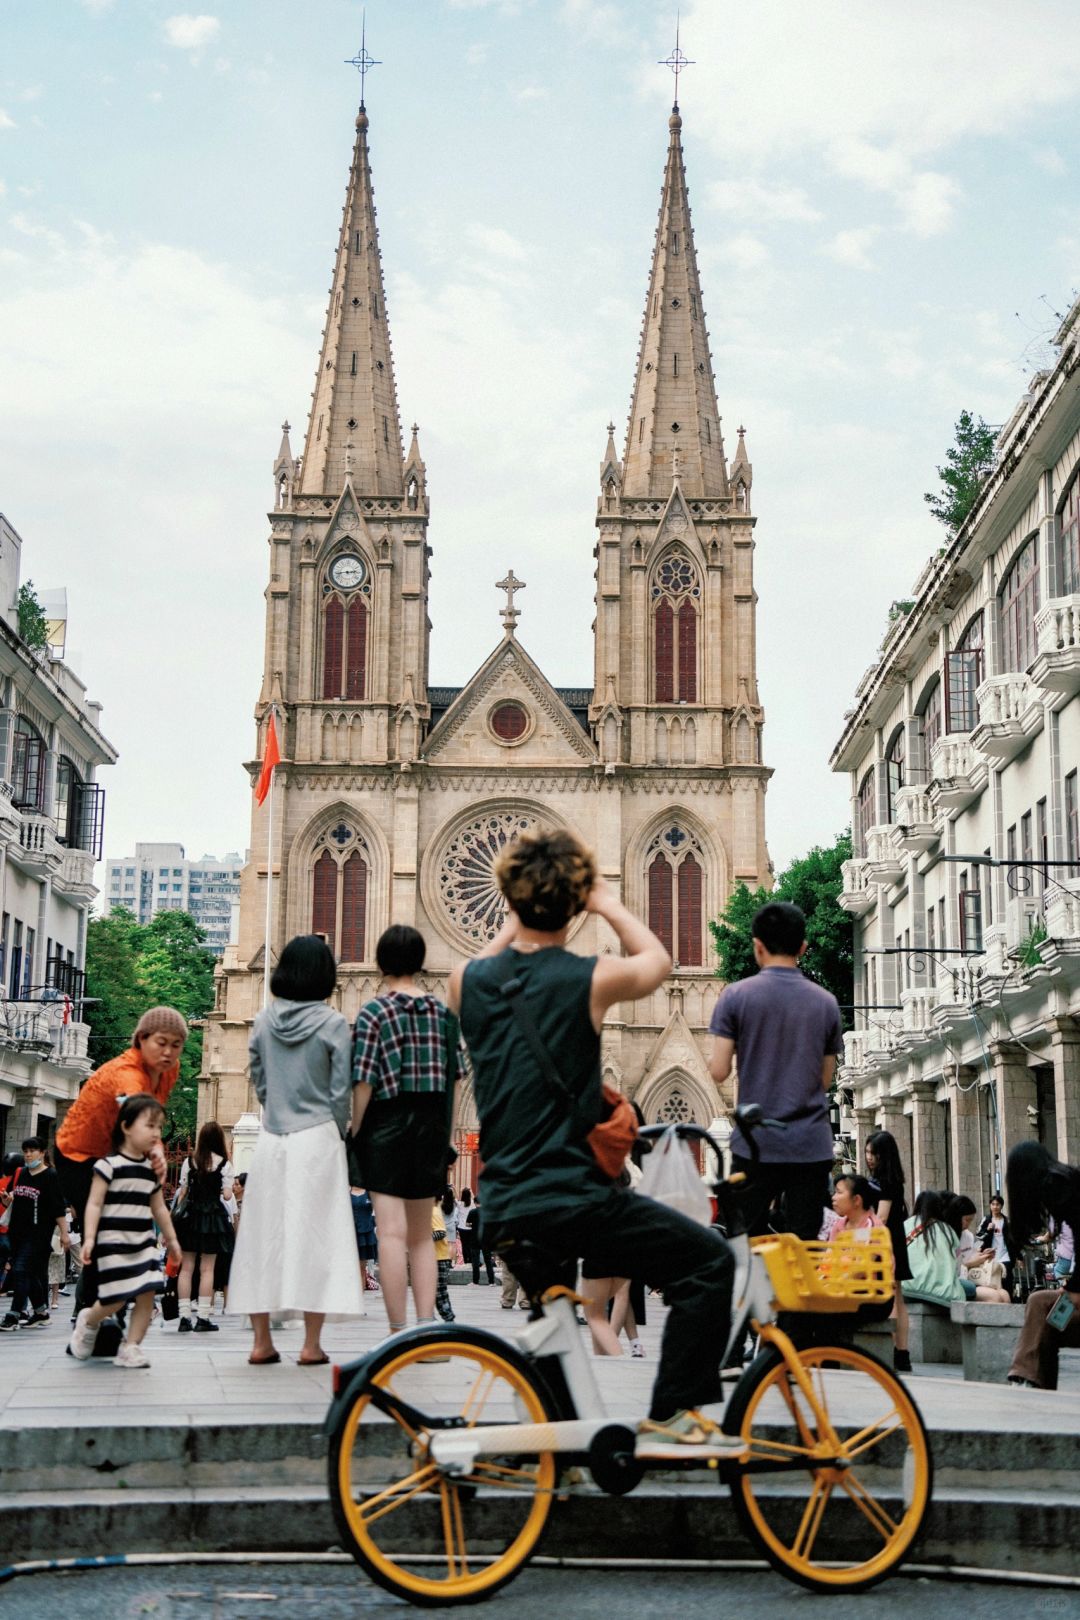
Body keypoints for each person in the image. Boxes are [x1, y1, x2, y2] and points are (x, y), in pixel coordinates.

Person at [449, 827, 737, 1453]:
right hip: (572, 1195)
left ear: (509, 897)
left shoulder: (465, 983)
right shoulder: (587, 978)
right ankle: (678, 1411)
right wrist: (604, 900)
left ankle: (561, 1455)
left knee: (553, 1326)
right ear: (574, 902)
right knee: (710, 1263)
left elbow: (486, 960)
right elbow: (658, 962)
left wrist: (513, 908)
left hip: (504, 1202)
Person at [230, 934, 363, 1366]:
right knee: (317, 1236)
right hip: (319, 1136)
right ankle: (310, 1344)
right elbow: (341, 1089)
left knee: (261, 1235)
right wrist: (339, 1128)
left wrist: (275, 1110)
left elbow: (259, 1078)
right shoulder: (333, 1023)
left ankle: (261, 1341)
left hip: (273, 1136)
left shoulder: (264, 1021)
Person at [708, 901, 843, 1242]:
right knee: (806, 1246)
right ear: (802, 948)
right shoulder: (826, 1002)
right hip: (810, 1144)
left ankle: (755, 1296)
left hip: (756, 1143)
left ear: (757, 945)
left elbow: (719, 1070)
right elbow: (824, 1080)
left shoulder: (734, 997)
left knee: (743, 1242)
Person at [351, 925, 463, 1336]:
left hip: (385, 1122)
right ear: (420, 962)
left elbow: (363, 1081)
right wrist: (444, 1134)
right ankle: (426, 1326)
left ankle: (398, 1330)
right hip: (430, 1123)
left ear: (380, 963)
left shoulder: (373, 1012)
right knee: (421, 1235)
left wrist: (358, 1129)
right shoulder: (442, 1015)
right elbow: (455, 1077)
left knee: (391, 1234)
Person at [54, 1007, 187, 1310]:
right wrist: (154, 1150)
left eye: (176, 1045)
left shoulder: (170, 1070)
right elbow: (134, 1105)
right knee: (102, 1231)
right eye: (161, 1042)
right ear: (142, 1039)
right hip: (77, 1154)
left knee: (118, 1230)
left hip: (113, 1153)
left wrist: (150, 1145)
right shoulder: (126, 1071)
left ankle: (100, 1307)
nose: (168, 1052)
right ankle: (93, 1310)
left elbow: (151, 1115)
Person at [68, 1095, 182, 1369]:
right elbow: (94, 1204)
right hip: (113, 1243)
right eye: (150, 1125)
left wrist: (173, 1239)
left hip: (143, 1243)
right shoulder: (107, 1166)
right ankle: (90, 1319)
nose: (156, 1132)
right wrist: (91, 1238)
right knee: (115, 1299)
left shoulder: (151, 1171)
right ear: (126, 1126)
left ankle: (131, 1346)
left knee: (146, 1294)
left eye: (159, 1127)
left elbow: (159, 1208)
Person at [1005, 1142, 1080, 1390]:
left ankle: (1026, 1378)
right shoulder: (1062, 1181)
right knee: (1040, 1302)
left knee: (1050, 1320)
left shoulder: (1055, 1186)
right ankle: (1028, 1377)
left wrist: (1074, 1290)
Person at [0, 1137, 70, 1330]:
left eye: (32, 1151)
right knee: (28, 1273)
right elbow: (13, 1201)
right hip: (17, 1232)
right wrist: (6, 1200)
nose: (28, 1154)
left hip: (38, 1233)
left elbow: (58, 1208)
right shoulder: (20, 1173)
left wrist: (65, 1233)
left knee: (21, 1270)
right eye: (26, 1151)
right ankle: (40, 1312)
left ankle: (13, 1315)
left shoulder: (50, 1175)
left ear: (42, 1152)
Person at [174, 1121, 235, 1334]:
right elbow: (227, 1195)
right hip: (212, 1219)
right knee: (207, 1269)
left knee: (187, 1268)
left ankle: (183, 1317)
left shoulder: (190, 1162)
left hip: (190, 1219)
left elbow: (183, 1192)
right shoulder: (224, 1164)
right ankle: (203, 1317)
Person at [865, 1129, 913, 1373]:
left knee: (891, 1295)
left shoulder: (886, 1181)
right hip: (893, 1240)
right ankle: (902, 1353)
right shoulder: (891, 1180)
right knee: (898, 1296)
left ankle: (895, 1350)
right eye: (867, 1152)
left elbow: (881, 1217)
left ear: (886, 1155)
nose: (869, 1157)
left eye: (874, 1153)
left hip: (885, 1242)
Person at [901, 1191, 966, 1310]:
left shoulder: (905, 1225)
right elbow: (958, 1268)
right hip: (944, 1296)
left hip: (907, 1289)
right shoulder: (948, 1231)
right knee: (971, 1288)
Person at [946, 1194, 1009, 1303]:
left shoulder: (968, 1236)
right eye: (966, 1220)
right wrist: (968, 1264)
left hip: (971, 1276)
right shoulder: (946, 1235)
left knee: (1004, 1294)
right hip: (957, 1280)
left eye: (970, 1220)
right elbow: (951, 1268)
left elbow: (971, 1256)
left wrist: (983, 1256)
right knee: (994, 1297)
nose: (968, 1224)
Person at [819, 1173, 882, 1239]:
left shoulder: (873, 1227)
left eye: (839, 1192)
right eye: (835, 1192)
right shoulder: (839, 1225)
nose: (833, 1197)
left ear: (856, 1199)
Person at [976, 1193, 1014, 1296]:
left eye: (997, 1204)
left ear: (1001, 1206)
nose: (995, 1207)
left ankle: (1008, 1300)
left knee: (1007, 1280)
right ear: (990, 1205)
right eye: (993, 1204)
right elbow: (979, 1235)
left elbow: (1013, 1240)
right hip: (990, 1256)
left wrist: (1019, 1257)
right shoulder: (986, 1219)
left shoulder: (1007, 1221)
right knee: (990, 1280)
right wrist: (987, 1230)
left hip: (1005, 1255)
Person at [432, 1199, 456, 1323]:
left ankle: (449, 1318)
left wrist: (422, 1240)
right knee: (433, 1291)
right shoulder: (431, 1211)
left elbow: (440, 1232)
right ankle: (430, 1318)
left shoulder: (434, 1211)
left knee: (439, 1291)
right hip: (434, 1258)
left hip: (439, 1258)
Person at [455, 1187, 473, 1270]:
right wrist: (471, 1192)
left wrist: (455, 1189)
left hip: (461, 1228)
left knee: (464, 1245)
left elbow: (455, 1198)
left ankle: (466, 1261)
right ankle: (471, 1261)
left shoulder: (459, 1204)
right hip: (469, 1227)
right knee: (469, 1245)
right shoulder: (472, 1203)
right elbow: (474, 1199)